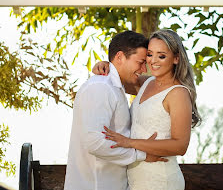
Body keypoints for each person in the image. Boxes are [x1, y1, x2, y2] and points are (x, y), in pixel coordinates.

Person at [93, 29, 201, 190]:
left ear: (176, 58)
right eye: (150, 54)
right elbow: (120, 75)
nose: (153, 61)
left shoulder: (178, 93)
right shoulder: (146, 83)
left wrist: (129, 143)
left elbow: (180, 146)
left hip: (161, 180)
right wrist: (107, 64)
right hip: (136, 179)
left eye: (161, 55)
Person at [64, 30, 166, 190]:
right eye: (140, 62)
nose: (143, 68)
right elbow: (95, 143)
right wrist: (142, 155)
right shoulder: (101, 87)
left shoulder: (114, 87)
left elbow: (155, 85)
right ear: (120, 57)